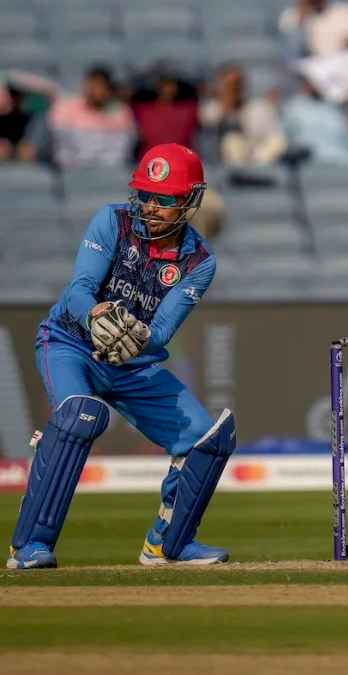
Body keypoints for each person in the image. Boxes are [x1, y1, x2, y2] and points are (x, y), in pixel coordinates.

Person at [7, 143, 235, 569]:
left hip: (132, 364)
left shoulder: (199, 262)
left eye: (164, 199)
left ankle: (168, 545)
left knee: (207, 438)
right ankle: (29, 547)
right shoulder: (112, 221)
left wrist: (138, 337)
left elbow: (162, 332)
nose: (150, 207)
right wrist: (96, 315)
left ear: (190, 201)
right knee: (79, 416)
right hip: (70, 342)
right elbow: (79, 290)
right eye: (145, 195)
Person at [47, 65, 135, 169]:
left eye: (100, 86)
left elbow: (120, 153)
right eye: (91, 85)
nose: (94, 90)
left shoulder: (121, 112)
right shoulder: (64, 108)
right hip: (72, 170)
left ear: (109, 89)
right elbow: (62, 149)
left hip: (107, 171)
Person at [200, 64, 287, 166]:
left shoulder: (257, 107)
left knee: (279, 141)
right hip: (223, 164)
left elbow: (273, 136)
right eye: (229, 85)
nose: (234, 88)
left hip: (256, 157)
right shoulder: (211, 109)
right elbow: (209, 122)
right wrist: (227, 101)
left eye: (237, 84)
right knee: (231, 141)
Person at [281, 75, 348, 165]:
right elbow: (283, 137)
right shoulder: (293, 107)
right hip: (310, 161)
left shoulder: (340, 106)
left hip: (343, 161)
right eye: (313, 81)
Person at [131, 68, 200, 158]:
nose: (168, 89)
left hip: (180, 158)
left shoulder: (188, 109)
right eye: (165, 85)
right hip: (151, 159)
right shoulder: (143, 110)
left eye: (171, 85)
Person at [280, 0, 348, 58]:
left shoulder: (344, 10)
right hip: (311, 69)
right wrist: (302, 16)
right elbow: (291, 54)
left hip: (342, 63)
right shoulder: (291, 17)